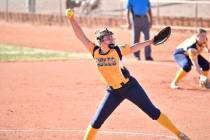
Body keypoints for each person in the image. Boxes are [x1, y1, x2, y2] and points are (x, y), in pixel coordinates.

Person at [65, 8, 190, 140]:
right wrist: (71, 19)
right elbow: (80, 36)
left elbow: (134, 47)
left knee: (153, 112)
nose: (111, 38)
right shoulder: (94, 50)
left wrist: (151, 41)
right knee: (96, 121)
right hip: (113, 91)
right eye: (108, 37)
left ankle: (179, 134)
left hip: (130, 87)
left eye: (111, 36)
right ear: (101, 40)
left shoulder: (117, 50)